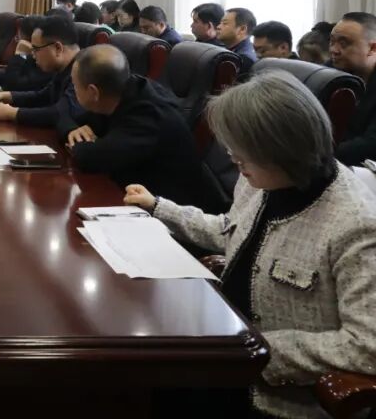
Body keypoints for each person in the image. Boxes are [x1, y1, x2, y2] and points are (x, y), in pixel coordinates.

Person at [124, 71, 376, 418]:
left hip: (273, 395)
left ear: (284, 149)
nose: (233, 159)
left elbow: (367, 346)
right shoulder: (263, 181)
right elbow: (230, 232)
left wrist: (252, 348)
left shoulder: (356, 225)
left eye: (243, 153)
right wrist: (159, 207)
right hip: (222, 353)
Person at [65, 45, 218, 210]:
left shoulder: (147, 115)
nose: (74, 90)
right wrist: (74, 130)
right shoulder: (124, 91)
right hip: (137, 195)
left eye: (75, 85)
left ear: (93, 92)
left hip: (173, 213)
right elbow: (73, 118)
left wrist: (79, 144)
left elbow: (89, 158)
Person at [0, 14, 83, 128]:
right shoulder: (64, 67)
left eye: (36, 49)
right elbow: (43, 96)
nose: (32, 55)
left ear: (58, 48)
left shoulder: (84, 71)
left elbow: (59, 113)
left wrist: (12, 113)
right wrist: (4, 96)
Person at [330, 12, 376, 166]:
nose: (334, 50)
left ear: (372, 48)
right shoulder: (333, 72)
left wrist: (320, 154)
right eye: (332, 41)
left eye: (344, 43)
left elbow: (371, 145)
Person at [0, 15, 52, 93]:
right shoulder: (29, 57)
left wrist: (20, 54)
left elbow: (11, 85)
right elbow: (13, 74)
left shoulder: (44, 65)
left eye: (18, 37)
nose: (17, 40)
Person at [218, 7, 259, 73]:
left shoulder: (244, 59)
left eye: (225, 23)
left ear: (242, 29)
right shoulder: (228, 50)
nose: (218, 27)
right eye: (220, 23)